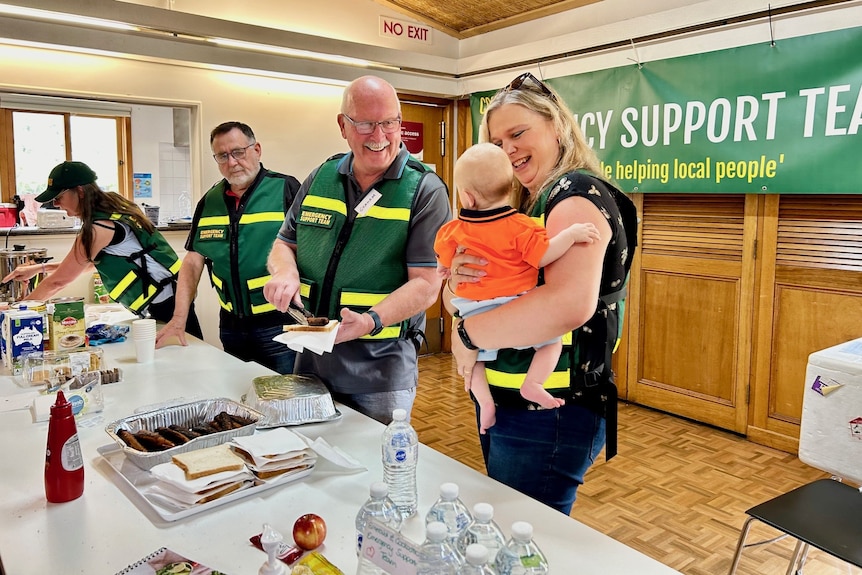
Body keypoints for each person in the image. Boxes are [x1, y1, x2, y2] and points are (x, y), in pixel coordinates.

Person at [445, 72, 638, 515]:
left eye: (518, 133)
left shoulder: (573, 196)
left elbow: (567, 304)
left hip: (549, 411)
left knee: (525, 534)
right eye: (497, 142)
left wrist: (470, 334)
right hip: (519, 402)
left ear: (557, 127)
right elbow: (470, 289)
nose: (507, 148)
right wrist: (456, 278)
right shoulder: (528, 204)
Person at [264, 75, 451, 423]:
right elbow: (283, 243)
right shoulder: (321, 177)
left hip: (381, 373)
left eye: (390, 123)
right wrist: (285, 271)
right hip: (312, 364)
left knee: (376, 471)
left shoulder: (424, 189)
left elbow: (427, 283)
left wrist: (369, 321)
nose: (379, 137)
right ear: (343, 126)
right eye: (366, 124)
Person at [434, 143, 600, 434]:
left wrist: (445, 269)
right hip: (516, 305)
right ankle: (533, 384)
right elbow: (544, 255)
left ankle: (484, 402)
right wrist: (571, 235)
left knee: (473, 362)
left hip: (474, 307)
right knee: (551, 343)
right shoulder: (521, 226)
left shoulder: (453, 229)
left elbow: (444, 257)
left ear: (467, 197)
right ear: (511, 188)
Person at [154, 121, 301, 374]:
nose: (232, 162)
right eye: (222, 156)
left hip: (281, 324)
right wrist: (179, 318)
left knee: (287, 399)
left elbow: (312, 251)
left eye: (238, 152)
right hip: (232, 327)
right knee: (239, 395)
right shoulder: (209, 201)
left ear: (257, 150)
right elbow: (192, 262)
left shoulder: (286, 189)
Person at [3, 161, 202, 338]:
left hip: (166, 302)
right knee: (191, 354)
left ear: (79, 191)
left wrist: (16, 312)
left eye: (59, 198)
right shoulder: (116, 206)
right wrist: (38, 269)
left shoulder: (98, 228)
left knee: (192, 354)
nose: (56, 204)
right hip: (173, 292)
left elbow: (59, 281)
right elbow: (87, 264)